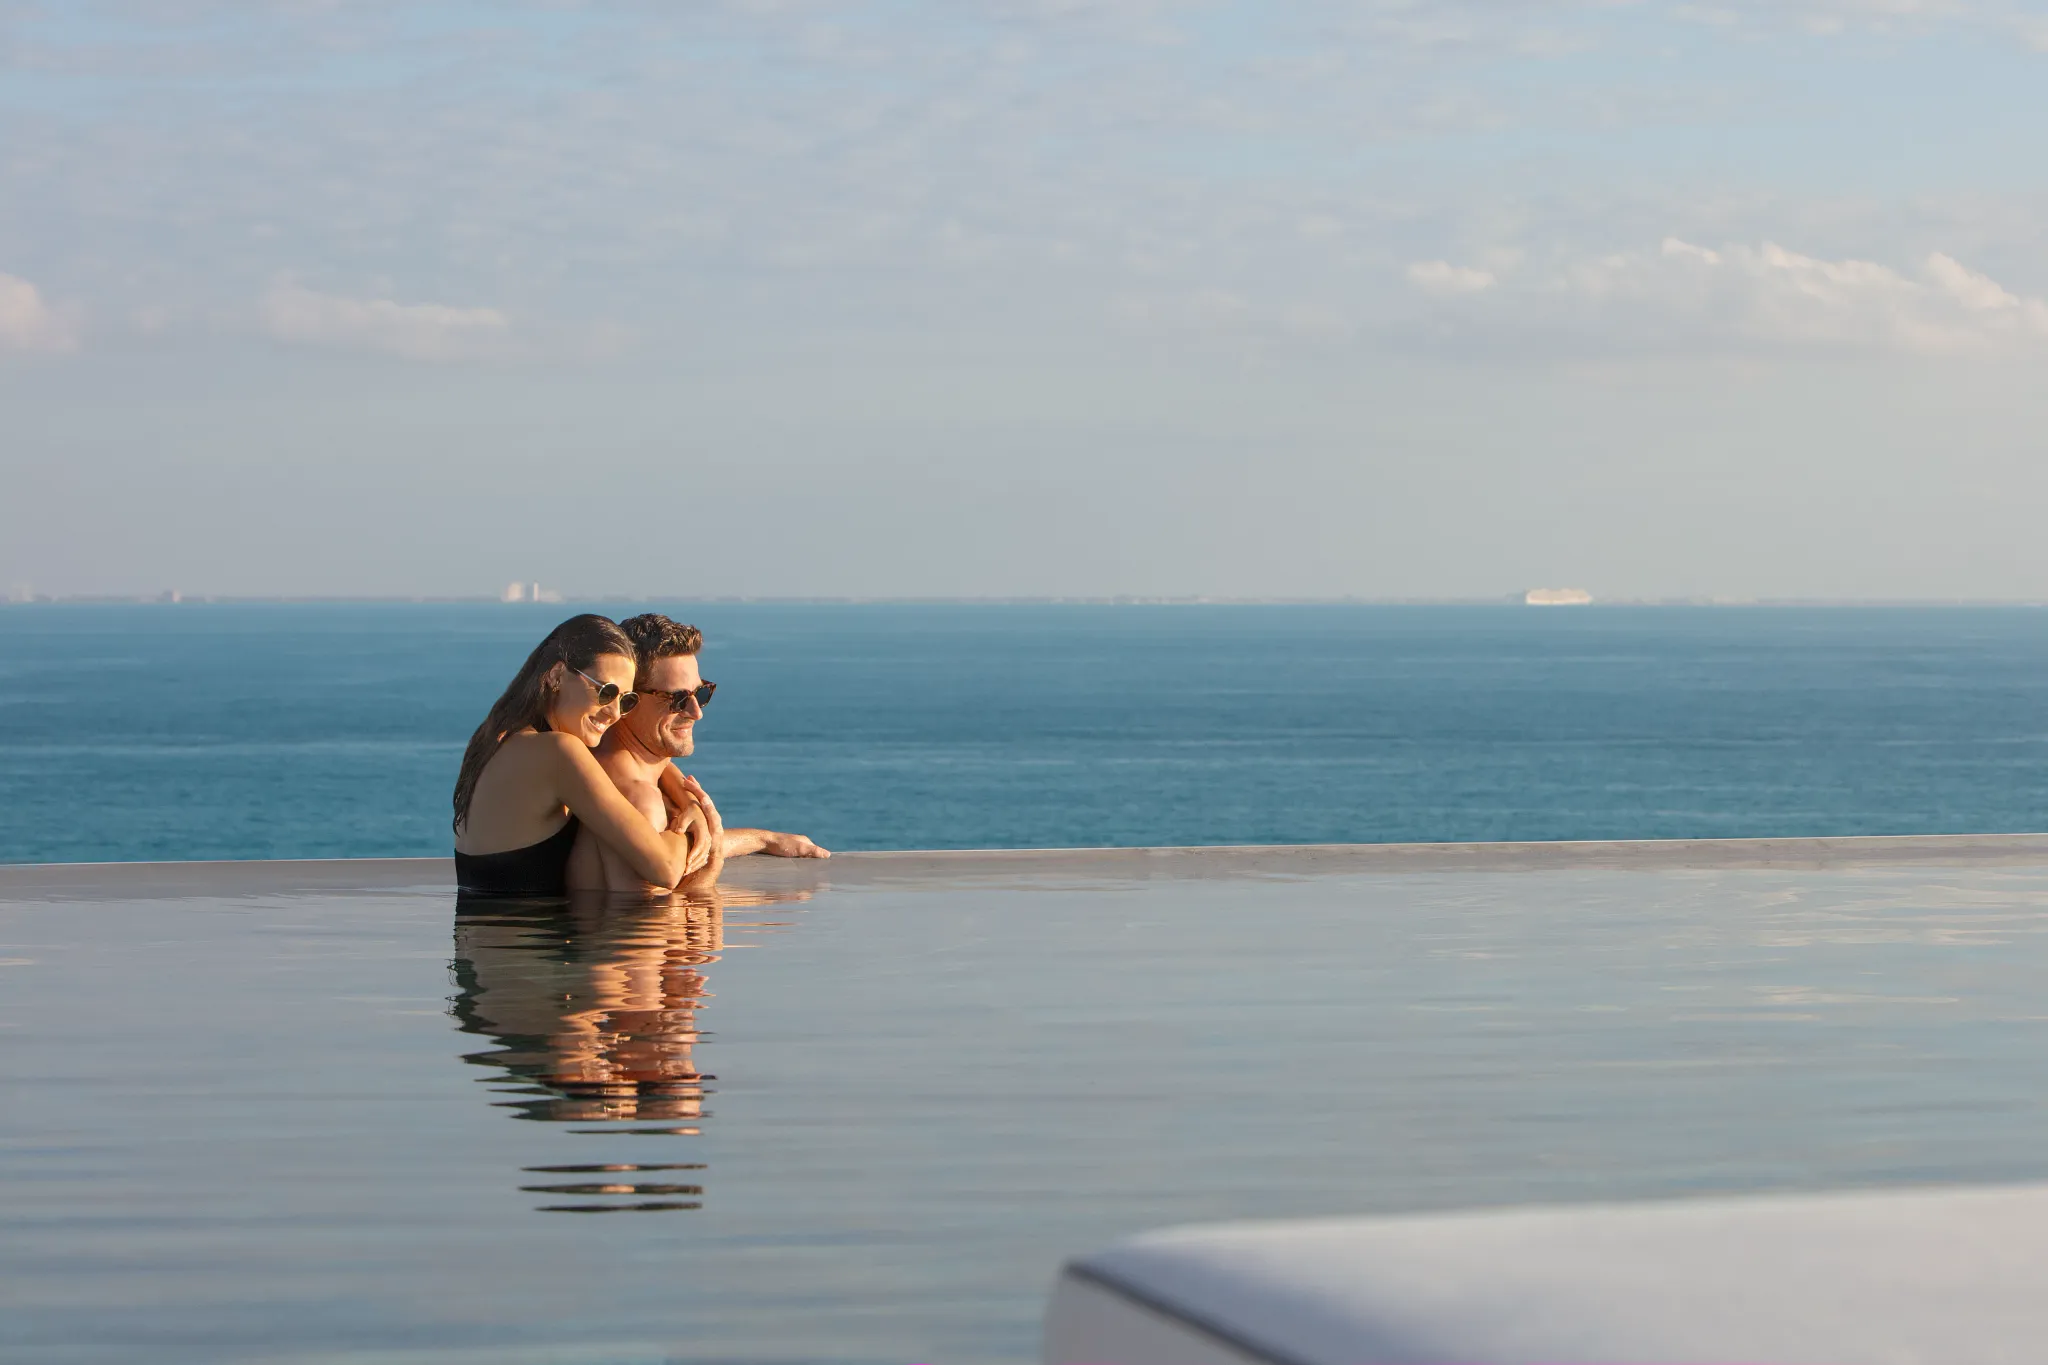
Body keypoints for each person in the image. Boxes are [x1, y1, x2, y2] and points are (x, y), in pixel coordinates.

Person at [452, 614, 716, 896]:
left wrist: (685, 797)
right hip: (527, 926)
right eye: (605, 692)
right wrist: (700, 830)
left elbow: (645, 764)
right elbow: (665, 869)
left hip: (479, 920)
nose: (614, 713)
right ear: (557, 675)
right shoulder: (560, 751)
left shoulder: (498, 737)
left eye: (625, 700)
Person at [567, 613, 827, 896]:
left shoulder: (607, 764)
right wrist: (712, 869)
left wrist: (763, 839)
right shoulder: (640, 800)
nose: (696, 712)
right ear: (627, 702)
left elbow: (681, 853)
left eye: (700, 693)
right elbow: (647, 918)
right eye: (677, 700)